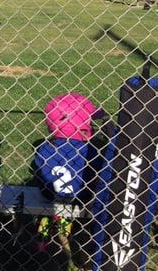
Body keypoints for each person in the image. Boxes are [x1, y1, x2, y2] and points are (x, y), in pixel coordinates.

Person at [34, 92, 104, 251]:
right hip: (80, 197)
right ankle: (65, 229)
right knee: (79, 189)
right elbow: (97, 174)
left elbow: (38, 172)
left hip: (49, 194)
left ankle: (42, 237)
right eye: (89, 121)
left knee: (50, 202)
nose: (91, 124)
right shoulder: (90, 150)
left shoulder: (45, 148)